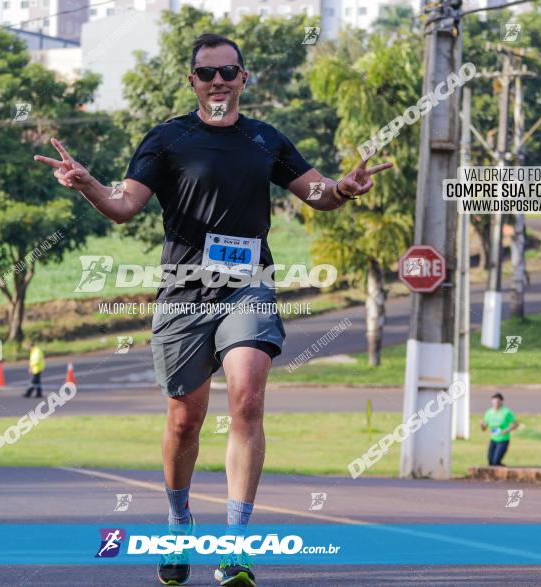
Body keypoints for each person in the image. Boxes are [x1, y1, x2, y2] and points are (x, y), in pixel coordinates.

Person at [35, 33, 392, 587]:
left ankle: (236, 547)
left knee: (247, 397)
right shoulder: (167, 139)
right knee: (185, 419)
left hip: (249, 284)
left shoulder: (264, 139)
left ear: (245, 78)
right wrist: (86, 185)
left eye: (229, 71)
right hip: (182, 292)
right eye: (207, 73)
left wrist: (343, 189)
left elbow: (315, 192)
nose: (218, 80)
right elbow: (125, 206)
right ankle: (179, 521)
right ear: (192, 82)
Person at [481, 393, 519, 466]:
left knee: (496, 462)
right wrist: (482, 426)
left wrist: (507, 430)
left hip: (503, 440)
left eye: (498, 402)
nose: (496, 404)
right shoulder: (489, 412)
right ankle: (499, 472)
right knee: (490, 462)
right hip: (493, 439)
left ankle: (504, 471)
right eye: (494, 402)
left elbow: (515, 424)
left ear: (502, 401)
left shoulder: (506, 412)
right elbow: (484, 428)